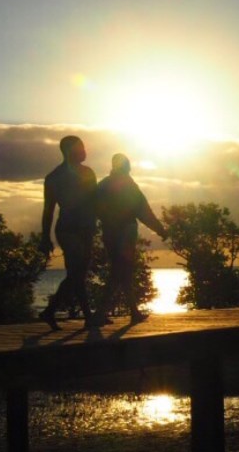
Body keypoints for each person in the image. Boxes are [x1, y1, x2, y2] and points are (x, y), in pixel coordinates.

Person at [91, 153, 167, 325]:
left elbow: (95, 209)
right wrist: (160, 229)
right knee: (120, 271)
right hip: (125, 232)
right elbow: (144, 211)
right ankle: (100, 313)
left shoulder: (102, 185)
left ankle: (133, 312)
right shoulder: (129, 186)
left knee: (122, 272)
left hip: (109, 232)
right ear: (126, 167)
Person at [38, 135, 97, 330]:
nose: (85, 151)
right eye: (81, 148)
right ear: (70, 151)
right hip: (68, 230)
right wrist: (45, 237)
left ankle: (52, 311)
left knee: (77, 273)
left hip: (86, 228)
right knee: (77, 272)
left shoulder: (87, 173)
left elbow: (96, 203)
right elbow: (49, 210)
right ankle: (87, 317)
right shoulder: (54, 178)